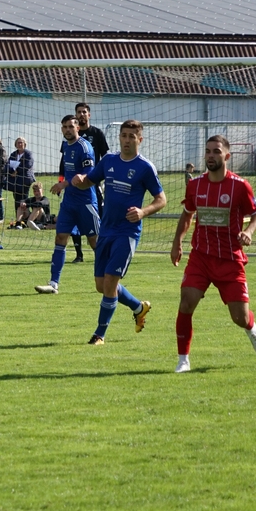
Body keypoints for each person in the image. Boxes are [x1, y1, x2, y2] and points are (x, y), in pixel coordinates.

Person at [170, 136, 256, 373]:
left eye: (216, 151)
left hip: (230, 259)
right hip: (201, 257)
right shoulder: (195, 185)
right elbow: (187, 214)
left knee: (239, 317)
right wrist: (177, 243)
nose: (211, 155)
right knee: (186, 302)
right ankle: (183, 360)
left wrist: (248, 232)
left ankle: (251, 327)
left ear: (227, 156)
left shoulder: (240, 186)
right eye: (208, 151)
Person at [72, 120, 167, 345]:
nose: (127, 140)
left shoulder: (145, 167)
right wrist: (80, 181)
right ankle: (138, 307)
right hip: (106, 230)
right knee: (101, 285)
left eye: (132, 136)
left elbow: (161, 199)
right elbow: (90, 181)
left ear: (139, 140)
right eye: (124, 135)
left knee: (110, 283)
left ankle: (99, 334)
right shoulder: (109, 161)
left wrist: (143, 212)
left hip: (127, 232)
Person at [35, 116, 99, 295]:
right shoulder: (66, 146)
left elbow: (89, 173)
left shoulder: (84, 147)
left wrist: (65, 183)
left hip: (86, 201)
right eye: (64, 127)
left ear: (78, 128)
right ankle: (53, 283)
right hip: (69, 202)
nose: (67, 130)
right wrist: (62, 182)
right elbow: (67, 170)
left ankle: (109, 276)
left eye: (71, 126)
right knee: (60, 237)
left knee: (94, 241)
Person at [71, 103, 110, 263]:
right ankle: (79, 254)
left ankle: (101, 252)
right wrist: (61, 180)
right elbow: (63, 160)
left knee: (98, 216)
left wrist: (105, 176)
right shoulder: (72, 134)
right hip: (74, 183)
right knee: (73, 216)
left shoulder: (97, 133)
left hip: (94, 182)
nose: (81, 114)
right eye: (79, 112)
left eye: (84, 112)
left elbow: (105, 156)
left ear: (89, 115)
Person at [7, 138, 35, 208]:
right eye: (18, 143)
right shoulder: (13, 154)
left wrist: (17, 171)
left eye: (21, 143)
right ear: (15, 145)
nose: (20, 144)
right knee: (16, 199)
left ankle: (25, 214)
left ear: (24, 144)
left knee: (23, 199)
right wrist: (11, 171)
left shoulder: (28, 154)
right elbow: (8, 164)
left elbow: (28, 165)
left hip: (25, 180)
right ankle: (18, 214)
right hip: (15, 181)